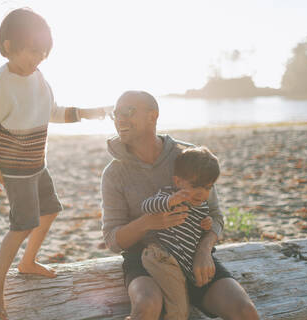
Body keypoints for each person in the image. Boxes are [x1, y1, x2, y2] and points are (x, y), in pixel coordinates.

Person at [0, 8, 107, 319]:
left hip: (37, 163)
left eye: (42, 52)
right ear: (9, 46)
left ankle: (28, 262)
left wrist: (88, 113)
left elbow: (53, 112)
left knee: (50, 210)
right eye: (32, 50)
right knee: (22, 225)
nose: (38, 57)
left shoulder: (39, 77)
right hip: (14, 168)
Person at [101, 90, 259, 319]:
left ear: (152, 116)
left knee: (245, 311)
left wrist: (205, 251)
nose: (120, 119)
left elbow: (215, 216)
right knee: (146, 307)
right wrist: (147, 222)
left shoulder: (187, 155)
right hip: (145, 261)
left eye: (128, 112)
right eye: (116, 114)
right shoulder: (114, 173)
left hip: (193, 255)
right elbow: (113, 241)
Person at [140, 146, 219, 319]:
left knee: (184, 301)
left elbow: (197, 231)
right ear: (178, 182)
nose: (201, 192)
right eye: (195, 186)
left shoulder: (203, 206)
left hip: (180, 262)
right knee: (179, 311)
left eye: (208, 187)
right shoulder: (169, 195)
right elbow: (146, 206)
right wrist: (169, 201)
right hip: (162, 256)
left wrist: (207, 225)